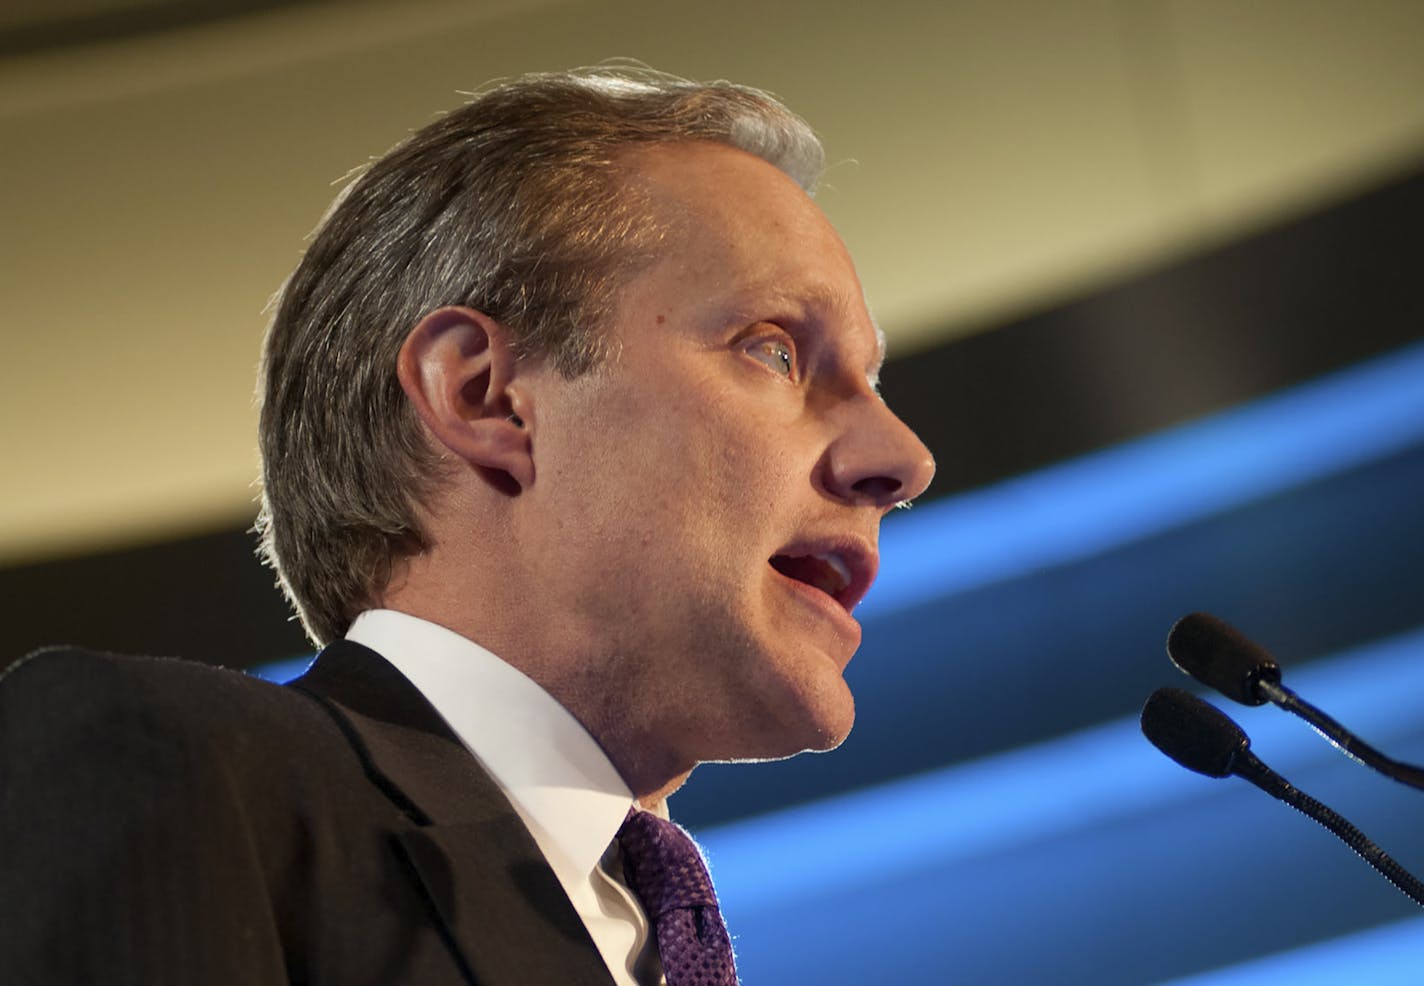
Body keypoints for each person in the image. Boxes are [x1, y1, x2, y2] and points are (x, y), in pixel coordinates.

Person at [0, 67, 934, 985]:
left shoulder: (644, 933)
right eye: (774, 350)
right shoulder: (180, 777)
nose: (903, 459)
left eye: (872, 382)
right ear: (487, 398)